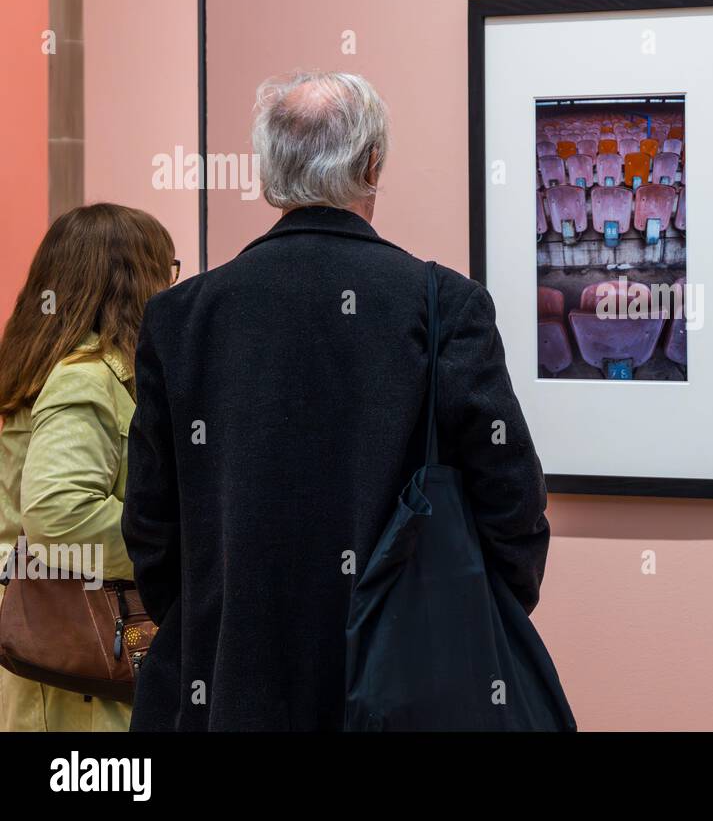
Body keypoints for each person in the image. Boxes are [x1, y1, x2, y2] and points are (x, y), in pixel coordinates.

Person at [122, 71, 549, 731]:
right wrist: (475, 615)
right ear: (373, 163)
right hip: (406, 685)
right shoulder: (442, 307)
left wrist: (211, 612)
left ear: (268, 175)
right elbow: (511, 501)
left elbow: (151, 526)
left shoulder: (182, 317)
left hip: (230, 684)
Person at [0, 204, 177, 731]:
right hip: (76, 664)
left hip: (47, 649)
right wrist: (166, 548)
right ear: (133, 281)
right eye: (168, 269)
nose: (172, 286)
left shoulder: (44, 368)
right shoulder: (87, 377)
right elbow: (58, 513)